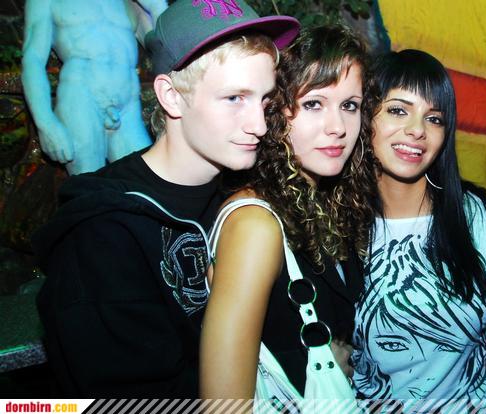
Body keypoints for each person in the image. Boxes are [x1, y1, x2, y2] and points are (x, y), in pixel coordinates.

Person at [32, 0, 300, 397]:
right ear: (172, 97)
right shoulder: (103, 234)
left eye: (264, 100)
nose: (259, 125)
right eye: (234, 98)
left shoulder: (242, 197)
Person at [199, 24, 377, 400]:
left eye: (350, 105)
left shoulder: (329, 202)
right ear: (275, 111)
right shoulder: (253, 224)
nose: (338, 127)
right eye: (313, 104)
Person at [351, 49, 486, 410]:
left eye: (434, 118)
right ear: (365, 116)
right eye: (398, 110)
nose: (417, 130)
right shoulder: (335, 229)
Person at [22, 0, 169, 175]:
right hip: (81, 99)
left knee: (147, 181)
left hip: (128, 105)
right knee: (88, 185)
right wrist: (46, 124)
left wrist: (157, 5)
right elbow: (33, 59)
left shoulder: (128, 3)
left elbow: (165, 47)